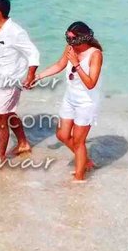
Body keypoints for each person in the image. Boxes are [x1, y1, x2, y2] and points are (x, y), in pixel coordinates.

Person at [33, 21, 104, 182]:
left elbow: (91, 83)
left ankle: (79, 179)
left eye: (72, 39)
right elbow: (59, 65)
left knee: (79, 142)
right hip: (70, 98)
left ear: (84, 38)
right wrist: (38, 77)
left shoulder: (95, 54)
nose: (69, 42)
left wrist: (76, 64)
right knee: (62, 135)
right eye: (68, 38)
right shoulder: (70, 48)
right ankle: (86, 161)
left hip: (86, 102)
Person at [0, 0, 39, 164]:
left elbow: (33, 53)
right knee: (9, 113)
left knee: (0, 119)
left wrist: (30, 76)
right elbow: (1, 47)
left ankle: (0, 157)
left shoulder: (16, 32)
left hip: (10, 82)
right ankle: (23, 143)